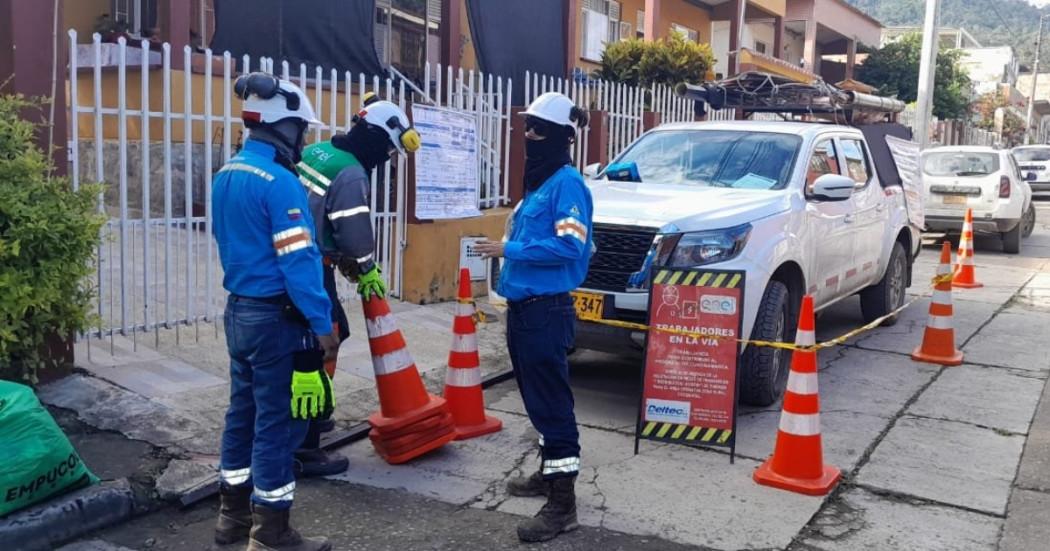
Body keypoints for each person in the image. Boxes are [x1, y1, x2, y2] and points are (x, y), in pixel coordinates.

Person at [211, 72, 337, 551]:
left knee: (240, 415)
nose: (304, 138)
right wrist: (322, 324)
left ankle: (231, 522)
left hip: (239, 314)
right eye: (302, 130)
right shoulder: (282, 184)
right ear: (284, 128)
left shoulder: (227, 175)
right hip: (276, 320)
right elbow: (300, 262)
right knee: (276, 423)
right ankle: (272, 533)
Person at [474, 92, 592, 543]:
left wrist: (510, 249)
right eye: (527, 126)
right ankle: (548, 476)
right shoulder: (539, 187)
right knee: (538, 403)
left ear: (562, 136)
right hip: (525, 311)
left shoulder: (567, 184)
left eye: (538, 128)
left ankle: (563, 505)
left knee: (553, 407)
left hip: (546, 311)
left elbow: (570, 246)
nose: (528, 134)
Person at [291, 92, 421, 475]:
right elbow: (353, 234)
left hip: (300, 259)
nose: (388, 160)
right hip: (310, 265)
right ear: (377, 139)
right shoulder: (351, 173)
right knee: (323, 340)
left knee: (325, 335)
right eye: (390, 152)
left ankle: (316, 415)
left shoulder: (318, 152)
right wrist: (366, 270)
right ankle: (307, 440)